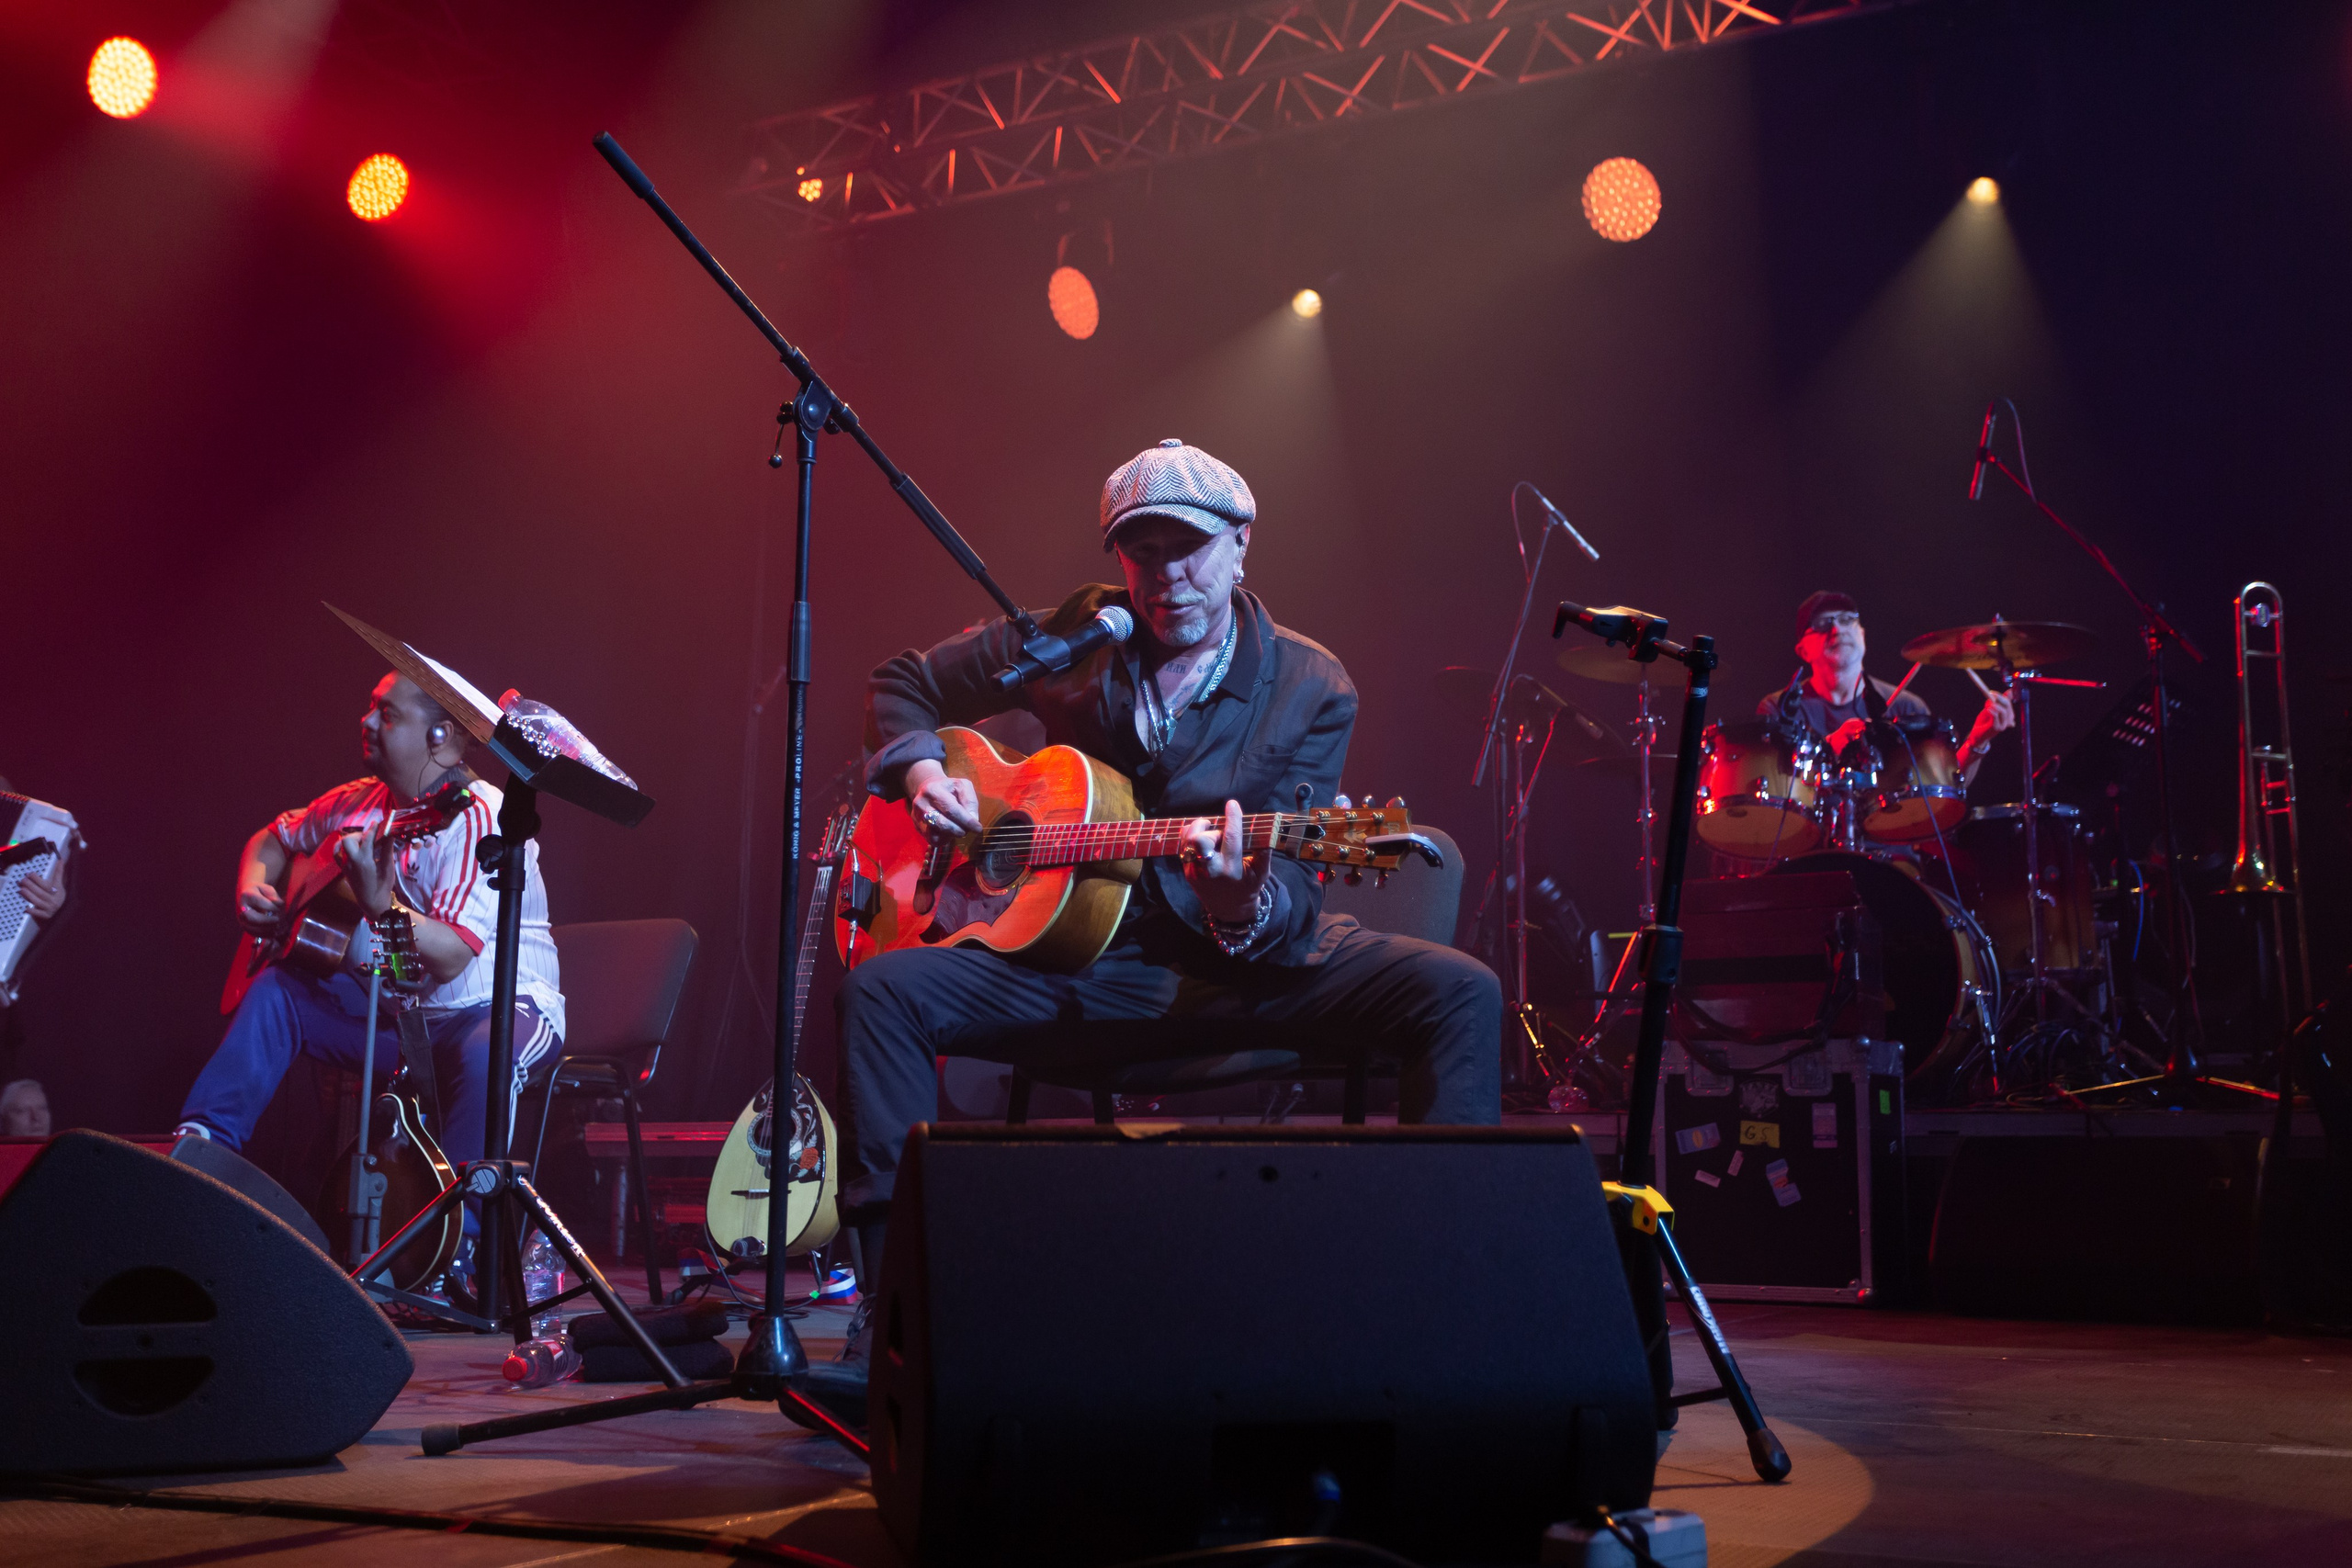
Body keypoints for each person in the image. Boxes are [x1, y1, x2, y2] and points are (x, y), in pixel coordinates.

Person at [808, 440, 1502, 1416]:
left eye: (1191, 550)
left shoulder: (1309, 684)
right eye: (1143, 554)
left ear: (1241, 544)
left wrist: (1237, 902)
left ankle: (1445, 1320)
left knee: (1458, 991)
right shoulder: (1072, 637)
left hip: (1234, 970)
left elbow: (1295, 887)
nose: (1169, 577)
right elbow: (902, 680)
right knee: (877, 992)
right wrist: (925, 779)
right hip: (1073, 966)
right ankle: (887, 1327)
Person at [175, 674, 565, 1218]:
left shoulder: (479, 817)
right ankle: (199, 1151)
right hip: (405, 1014)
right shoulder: (358, 803)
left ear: (442, 738)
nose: (366, 723)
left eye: (388, 715)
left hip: (499, 1011)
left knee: (486, 1057)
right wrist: (252, 888)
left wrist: (380, 904)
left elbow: (452, 956)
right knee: (278, 991)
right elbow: (275, 837)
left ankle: (453, 1240)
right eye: (371, 709)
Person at [1759, 590, 2013, 787]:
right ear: (1803, 650)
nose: (1838, 629)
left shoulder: (1907, 707)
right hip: (1809, 847)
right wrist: (1827, 750)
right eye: (1824, 623)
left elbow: (1943, 787)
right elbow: (1773, 796)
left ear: (1862, 635)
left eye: (1848, 620)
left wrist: (1978, 741)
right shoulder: (1779, 709)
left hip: (1890, 848)